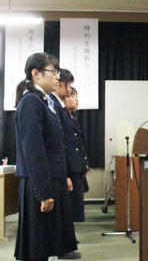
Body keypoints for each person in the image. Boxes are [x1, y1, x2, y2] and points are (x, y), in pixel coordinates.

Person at [14, 52, 77, 261]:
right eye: (53, 72)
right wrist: (43, 191)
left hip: (51, 179)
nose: (57, 77)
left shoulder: (45, 100)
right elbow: (33, 149)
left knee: (48, 242)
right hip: (39, 182)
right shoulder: (31, 101)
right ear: (36, 73)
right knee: (37, 247)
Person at [50, 69, 82, 260]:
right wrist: (67, 173)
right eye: (68, 85)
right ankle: (57, 250)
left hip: (64, 169)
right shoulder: (49, 103)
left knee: (66, 211)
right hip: (59, 170)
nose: (70, 90)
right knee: (60, 212)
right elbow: (61, 143)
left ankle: (63, 247)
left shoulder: (55, 105)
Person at [64, 87, 90, 224]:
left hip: (77, 168)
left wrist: (85, 163)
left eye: (77, 96)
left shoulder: (73, 118)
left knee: (76, 204)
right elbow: (65, 148)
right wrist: (66, 174)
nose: (77, 99)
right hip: (69, 170)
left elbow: (80, 144)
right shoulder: (62, 119)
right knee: (69, 205)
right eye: (72, 96)